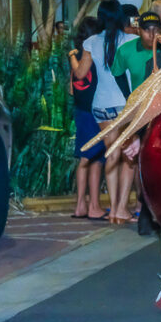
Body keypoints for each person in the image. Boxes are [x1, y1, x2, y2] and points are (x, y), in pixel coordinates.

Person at [111, 11, 161, 309]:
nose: (152, 33)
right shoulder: (128, 52)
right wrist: (135, 131)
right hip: (146, 125)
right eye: (147, 29)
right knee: (159, 202)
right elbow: (121, 76)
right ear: (138, 31)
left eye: (157, 27)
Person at [73, 0, 136, 224]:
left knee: (112, 154)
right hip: (123, 105)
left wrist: (72, 56)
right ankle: (121, 208)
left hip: (100, 106)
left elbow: (80, 74)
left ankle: (113, 210)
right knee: (129, 157)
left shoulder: (91, 42)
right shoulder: (131, 39)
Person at [66, 18, 107, 220]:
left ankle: (82, 205)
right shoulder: (95, 53)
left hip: (80, 111)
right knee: (94, 159)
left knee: (86, 157)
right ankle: (93, 207)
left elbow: (71, 89)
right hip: (95, 110)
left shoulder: (76, 54)